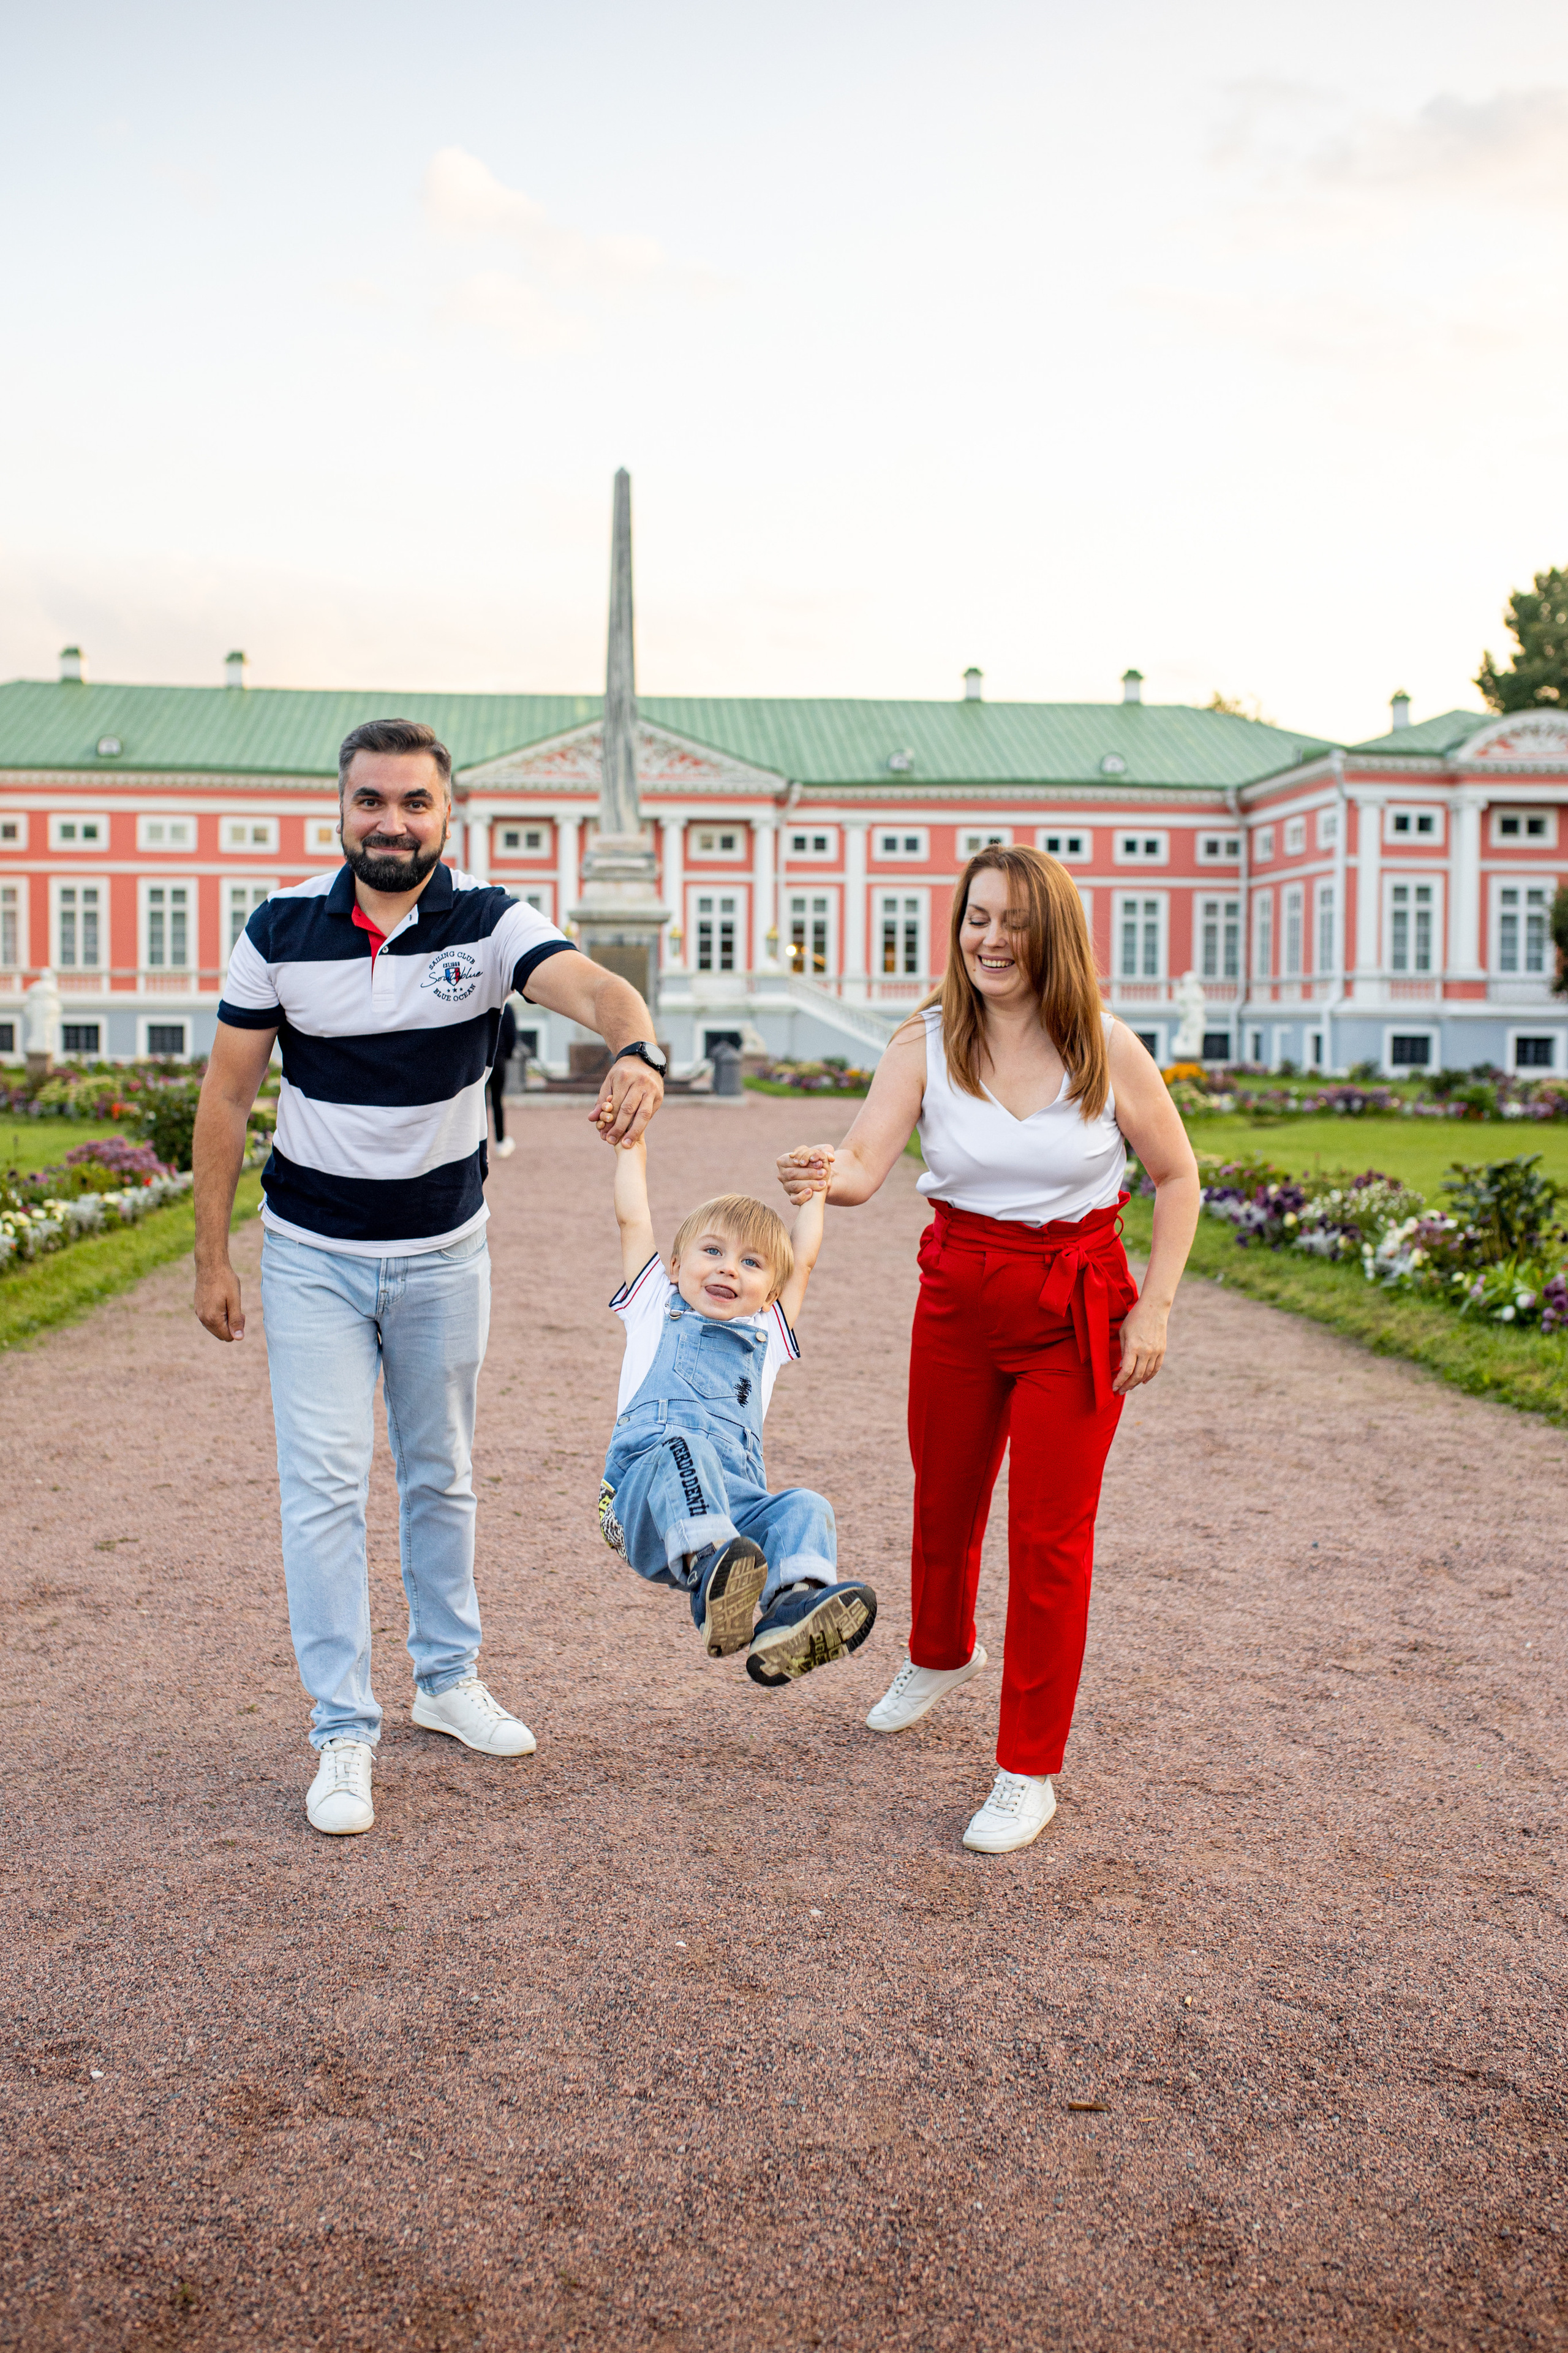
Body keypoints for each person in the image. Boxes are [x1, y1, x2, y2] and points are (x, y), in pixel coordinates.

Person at [191, 716, 669, 1839]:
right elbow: (227, 1094)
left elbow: (600, 989)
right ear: (341, 809)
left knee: (441, 1472)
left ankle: (447, 1680)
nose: (392, 822)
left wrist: (638, 1048)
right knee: (324, 1486)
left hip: (446, 1251)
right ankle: (341, 1730)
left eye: (415, 802)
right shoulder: (280, 927)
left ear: (448, 814)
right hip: (312, 1252)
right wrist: (212, 1256)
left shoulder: (492, 924)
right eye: (372, 800)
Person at [778, 845, 1199, 1854]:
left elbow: (1179, 1177)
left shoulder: (1106, 1046)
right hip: (959, 1294)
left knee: (1051, 1540)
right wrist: (825, 1169)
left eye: (1013, 921)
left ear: (1052, 934)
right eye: (976, 918)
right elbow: (866, 1162)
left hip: (1075, 1305)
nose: (991, 939)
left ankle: (1027, 1770)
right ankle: (939, 1652)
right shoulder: (925, 1040)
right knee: (944, 1496)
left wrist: (1155, 1310)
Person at [599, 1134, 877, 1685]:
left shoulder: (766, 1336)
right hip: (644, 1500)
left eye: (751, 1263)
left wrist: (816, 1193)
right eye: (712, 1252)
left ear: (771, 1292)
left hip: (733, 1513)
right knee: (687, 1447)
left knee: (806, 1505)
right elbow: (633, 1218)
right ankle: (713, 1574)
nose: (728, 1269)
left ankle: (792, 1610)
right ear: (674, 1266)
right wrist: (632, 1145)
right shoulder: (654, 1304)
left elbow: (804, 1261)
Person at [490, 996, 519, 1160]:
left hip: (480, 1062)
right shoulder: (507, 1008)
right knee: (497, 1102)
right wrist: (506, 1055)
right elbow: (512, 1036)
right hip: (499, 1060)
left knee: (477, 1104)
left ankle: (478, 1144)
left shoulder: (482, 1006)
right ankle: (500, 1142)